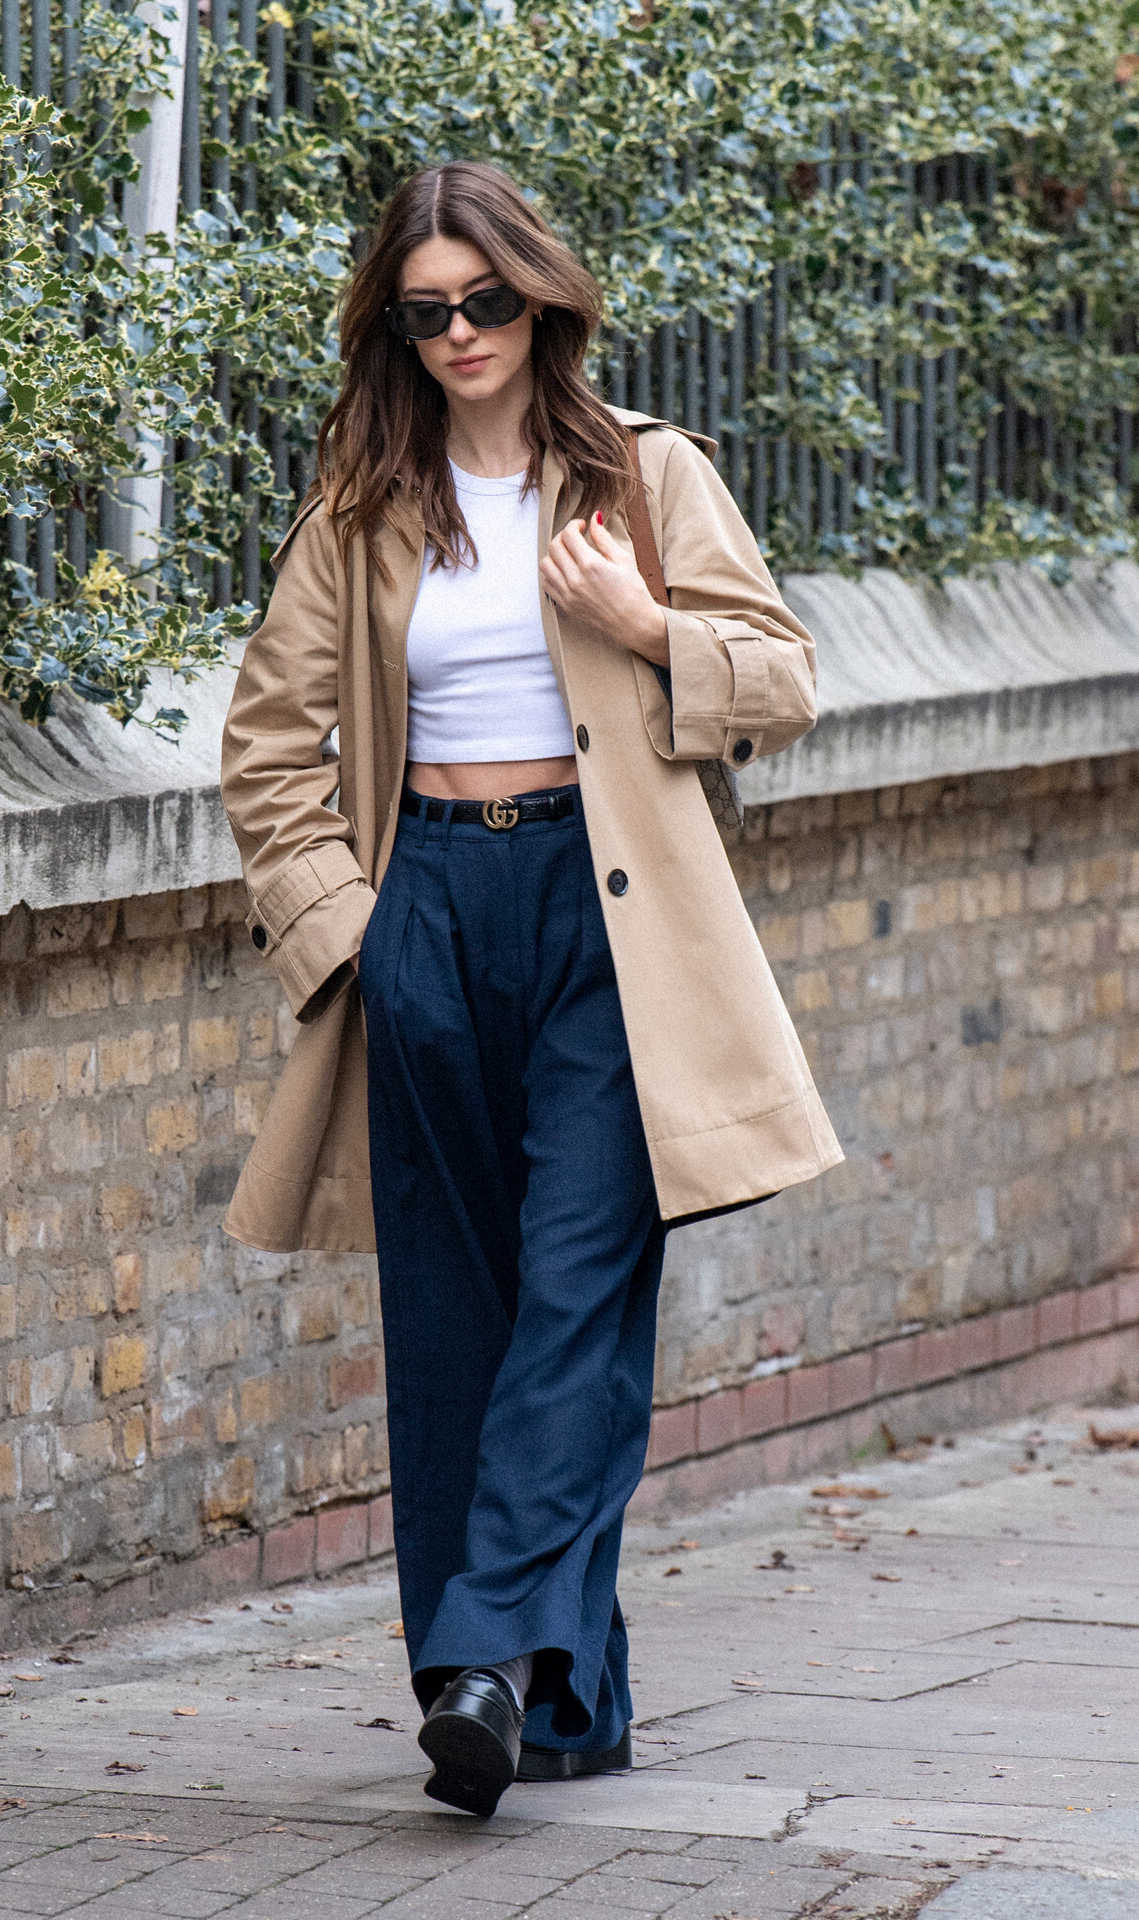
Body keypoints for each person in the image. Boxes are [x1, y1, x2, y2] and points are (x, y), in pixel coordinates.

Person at [220, 160, 843, 1818]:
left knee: (575, 1289)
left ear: (540, 295)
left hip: (607, 920)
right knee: (456, 1314)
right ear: (396, 328)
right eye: (426, 312)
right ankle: (567, 1700)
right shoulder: (362, 508)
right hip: (424, 910)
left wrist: (645, 620)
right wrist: (350, 933)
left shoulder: (644, 474)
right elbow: (268, 745)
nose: (461, 333)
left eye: (486, 300)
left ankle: (481, 1660)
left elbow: (783, 678)